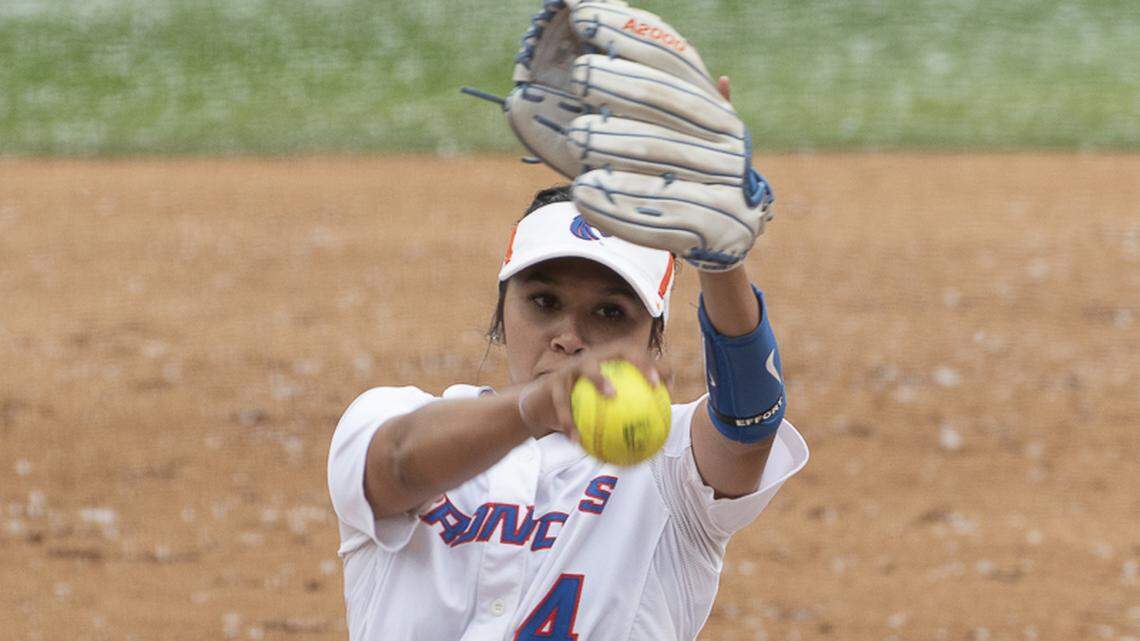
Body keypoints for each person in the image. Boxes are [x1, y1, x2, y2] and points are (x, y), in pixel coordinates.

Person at [326, 175, 809, 638]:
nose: (569, 338)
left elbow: (749, 424)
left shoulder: (668, 467)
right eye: (543, 301)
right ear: (501, 314)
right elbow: (396, 464)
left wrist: (721, 260)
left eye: (609, 313)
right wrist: (533, 409)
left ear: (651, 341)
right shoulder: (390, 415)